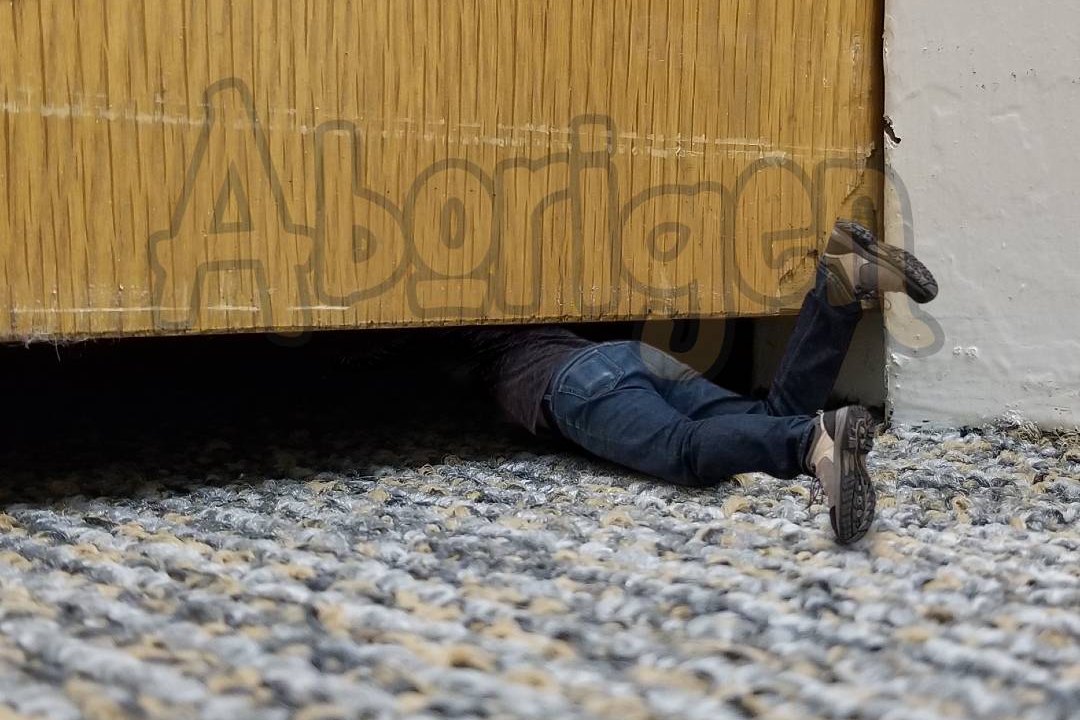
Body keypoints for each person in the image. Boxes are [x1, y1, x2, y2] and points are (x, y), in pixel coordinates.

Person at [349, 220, 938, 544]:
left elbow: (390, 364)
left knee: (681, 452)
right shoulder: (502, 285)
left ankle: (811, 445)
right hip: (625, 356)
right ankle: (839, 282)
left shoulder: (440, 324)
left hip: (575, 384)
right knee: (768, 413)